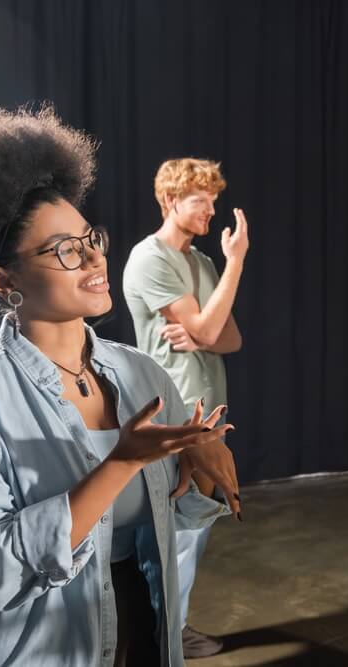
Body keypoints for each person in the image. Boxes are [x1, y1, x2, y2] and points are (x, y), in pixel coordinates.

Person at [0, 104, 242, 667]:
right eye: (64, 250)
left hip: (140, 628)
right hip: (29, 648)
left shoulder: (140, 374)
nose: (95, 257)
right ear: (7, 282)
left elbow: (171, 521)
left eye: (89, 237)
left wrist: (197, 465)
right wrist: (120, 463)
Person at [122, 157, 246, 658]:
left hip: (207, 418)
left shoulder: (202, 264)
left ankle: (173, 628)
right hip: (173, 418)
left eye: (214, 202)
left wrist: (201, 336)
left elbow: (229, 337)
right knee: (169, 535)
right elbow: (214, 329)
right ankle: (158, 636)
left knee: (191, 532)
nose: (212, 212)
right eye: (202, 202)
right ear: (171, 201)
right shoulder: (150, 259)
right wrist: (237, 261)